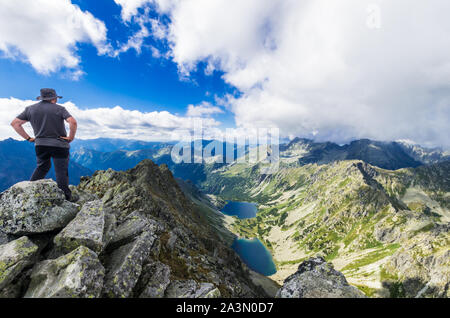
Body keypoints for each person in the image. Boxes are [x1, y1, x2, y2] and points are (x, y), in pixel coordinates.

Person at [10, 88, 78, 201]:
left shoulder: (30, 109)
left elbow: (15, 123)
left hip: (40, 145)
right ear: (53, 98)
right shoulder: (60, 109)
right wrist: (71, 137)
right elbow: (73, 122)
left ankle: (28, 191)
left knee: (42, 167)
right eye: (56, 98)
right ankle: (66, 198)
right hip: (59, 144)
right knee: (61, 171)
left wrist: (28, 138)